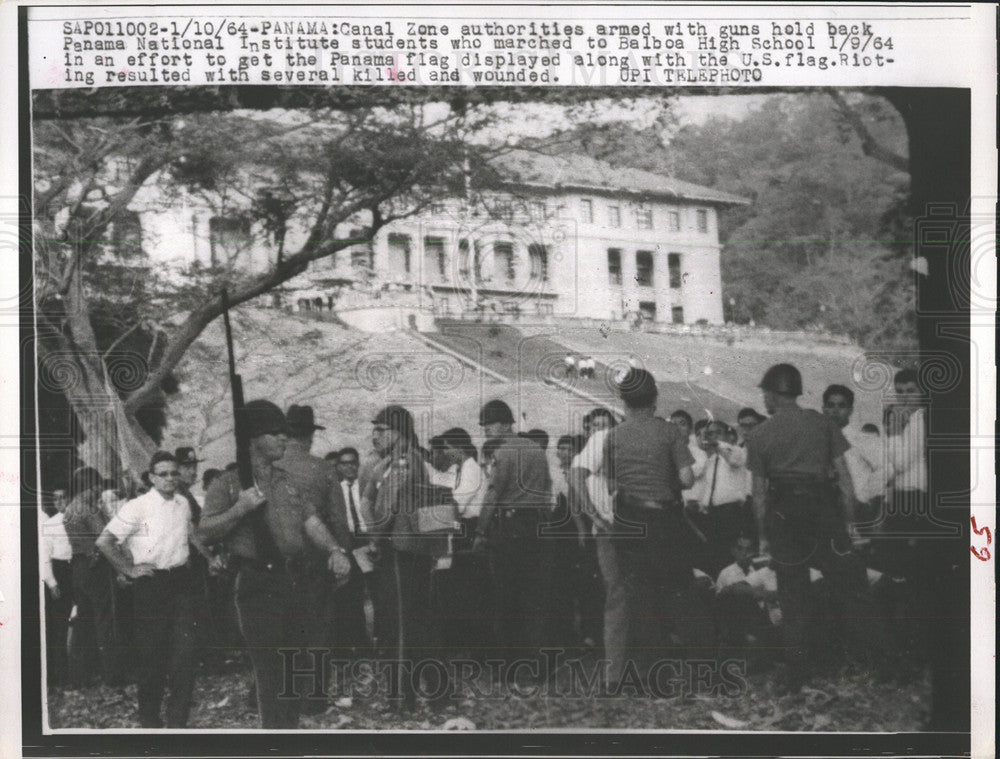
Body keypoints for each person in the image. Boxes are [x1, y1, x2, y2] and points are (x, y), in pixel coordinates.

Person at [198, 400, 352, 729]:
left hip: (292, 580)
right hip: (256, 584)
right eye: (276, 433)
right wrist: (239, 509)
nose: (284, 438)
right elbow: (205, 531)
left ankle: (290, 734)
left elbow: (312, 521)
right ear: (254, 438)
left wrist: (335, 550)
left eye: (286, 432)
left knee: (295, 665)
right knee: (269, 672)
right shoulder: (227, 483)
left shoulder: (285, 481)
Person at [746, 363, 888, 691]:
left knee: (793, 595)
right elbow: (845, 480)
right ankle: (888, 662)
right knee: (853, 588)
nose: (764, 400)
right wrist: (850, 524)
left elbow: (758, 495)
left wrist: (765, 536)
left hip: (784, 515)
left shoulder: (758, 435)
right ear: (794, 392)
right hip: (823, 511)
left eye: (765, 394)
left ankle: (796, 674)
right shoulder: (823, 424)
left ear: (770, 394)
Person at [604, 370, 715, 683]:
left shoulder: (614, 436)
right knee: (681, 592)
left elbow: (612, 482)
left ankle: (654, 678)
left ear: (624, 401)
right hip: (664, 521)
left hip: (628, 519)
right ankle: (703, 671)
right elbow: (686, 479)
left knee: (641, 598)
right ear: (654, 399)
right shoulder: (669, 433)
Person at [96, 451, 207, 728]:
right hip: (151, 586)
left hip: (181, 583)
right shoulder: (137, 506)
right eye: (163, 474)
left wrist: (207, 557)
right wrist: (129, 570)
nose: (170, 478)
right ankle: (149, 722)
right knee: (152, 655)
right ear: (152, 478)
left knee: (186, 654)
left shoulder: (183, 503)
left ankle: (178, 722)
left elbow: (190, 535)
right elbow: (105, 541)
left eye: (174, 473)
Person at [361, 405, 449, 710]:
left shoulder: (400, 463)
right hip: (412, 551)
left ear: (399, 432)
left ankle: (401, 698)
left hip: (400, 551)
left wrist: (372, 539)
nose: (375, 435)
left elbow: (385, 510)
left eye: (381, 430)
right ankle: (439, 693)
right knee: (417, 622)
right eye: (374, 429)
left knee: (399, 626)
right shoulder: (399, 461)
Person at [278, 405, 367, 679]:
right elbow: (339, 520)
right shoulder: (322, 470)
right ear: (310, 436)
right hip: (316, 555)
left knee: (282, 624)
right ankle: (313, 695)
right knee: (317, 624)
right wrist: (342, 557)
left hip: (277, 556)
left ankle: (279, 686)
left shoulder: (271, 467)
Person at [473, 399, 553, 670]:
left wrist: (481, 531)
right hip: (537, 526)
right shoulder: (535, 450)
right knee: (535, 596)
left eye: (490, 424)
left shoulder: (503, 453)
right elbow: (547, 490)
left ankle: (507, 666)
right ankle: (539, 664)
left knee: (505, 595)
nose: (485, 430)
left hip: (509, 527)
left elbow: (493, 494)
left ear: (506, 424)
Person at [569, 413, 623, 685]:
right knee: (605, 591)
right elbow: (574, 488)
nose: (598, 430)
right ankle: (609, 655)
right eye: (594, 425)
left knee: (617, 594)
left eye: (604, 425)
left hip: (615, 527)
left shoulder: (609, 446)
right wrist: (591, 519)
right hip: (600, 530)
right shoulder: (590, 453)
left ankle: (619, 663)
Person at [62, 466, 124, 686]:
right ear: (88, 487)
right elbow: (105, 536)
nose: (99, 491)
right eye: (97, 487)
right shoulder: (88, 509)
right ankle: (112, 674)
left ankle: (79, 676)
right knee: (105, 619)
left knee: (82, 622)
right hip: (96, 567)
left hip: (78, 567)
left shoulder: (70, 508)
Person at [690, 421, 752, 578]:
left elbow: (734, 459)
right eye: (710, 433)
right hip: (712, 514)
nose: (712, 437)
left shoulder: (738, 452)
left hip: (731, 513)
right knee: (713, 558)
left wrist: (717, 443)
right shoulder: (711, 459)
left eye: (717, 432)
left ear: (729, 436)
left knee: (729, 559)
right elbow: (709, 486)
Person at [41, 487, 73, 686]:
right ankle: (59, 675)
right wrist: (52, 582)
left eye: (64, 497)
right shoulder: (50, 524)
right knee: (59, 624)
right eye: (56, 498)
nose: (60, 502)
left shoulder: (77, 519)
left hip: (77, 568)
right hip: (60, 571)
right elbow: (45, 556)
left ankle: (80, 670)